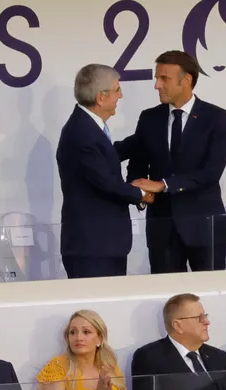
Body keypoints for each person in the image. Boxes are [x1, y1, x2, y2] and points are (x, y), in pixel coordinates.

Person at [115, 50, 226, 273]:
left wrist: (162, 185)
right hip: (162, 229)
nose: (157, 85)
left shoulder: (216, 118)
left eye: (164, 78)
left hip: (204, 228)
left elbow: (211, 172)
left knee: (211, 295)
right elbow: (137, 165)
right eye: (156, 78)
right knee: (168, 299)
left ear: (186, 80)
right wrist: (140, 192)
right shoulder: (149, 118)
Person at [56, 64, 161, 279]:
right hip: (92, 247)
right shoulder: (82, 133)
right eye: (117, 90)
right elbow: (105, 182)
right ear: (101, 97)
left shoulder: (87, 126)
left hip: (102, 244)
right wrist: (142, 194)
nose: (120, 96)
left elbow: (104, 157)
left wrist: (143, 137)